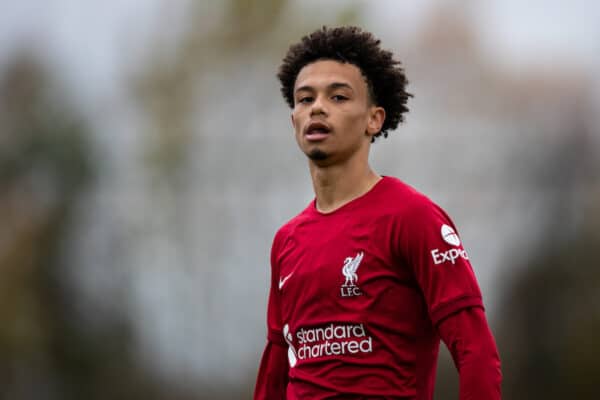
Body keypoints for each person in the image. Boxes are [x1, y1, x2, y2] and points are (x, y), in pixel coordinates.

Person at [254, 26, 502, 400]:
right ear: (294, 121)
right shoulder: (286, 242)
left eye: (338, 96)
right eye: (305, 99)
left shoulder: (413, 217)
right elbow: (275, 374)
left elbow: (476, 353)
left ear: (374, 119)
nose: (317, 107)